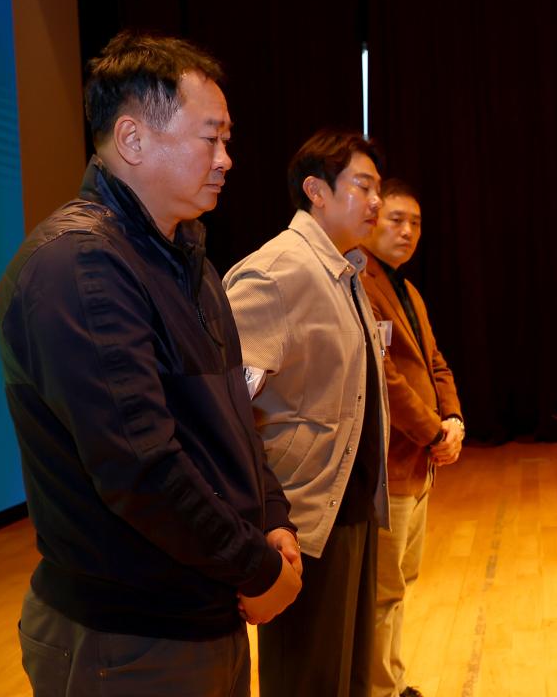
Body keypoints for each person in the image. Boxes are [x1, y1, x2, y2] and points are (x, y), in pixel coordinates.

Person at [0, 31, 301, 696]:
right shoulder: (79, 266)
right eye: (210, 138)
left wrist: (272, 517)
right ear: (133, 140)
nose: (227, 159)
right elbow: (140, 468)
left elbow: (228, 422)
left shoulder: (188, 258)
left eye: (226, 139)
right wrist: (257, 568)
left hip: (200, 616)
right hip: (131, 640)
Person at [223, 129, 391, 697]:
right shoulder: (276, 272)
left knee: (349, 675)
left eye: (378, 189)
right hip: (305, 517)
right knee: (308, 680)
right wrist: (265, 516)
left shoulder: (345, 271)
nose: (376, 202)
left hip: (353, 504)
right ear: (315, 190)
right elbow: (227, 408)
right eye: (363, 186)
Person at [358, 179, 464, 697]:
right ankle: (380, 689)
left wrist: (455, 420)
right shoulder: (360, 281)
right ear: (371, 218)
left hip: (419, 463)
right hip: (391, 465)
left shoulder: (407, 289)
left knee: (400, 584)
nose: (406, 231)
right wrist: (432, 431)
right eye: (395, 219)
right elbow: (384, 378)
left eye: (415, 223)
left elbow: (435, 362)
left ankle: (391, 682)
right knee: (384, 591)